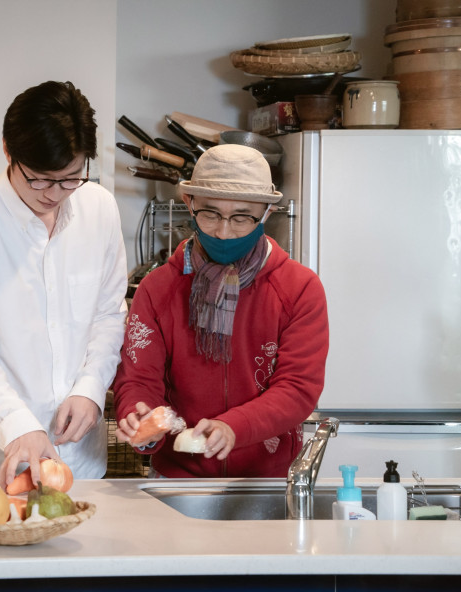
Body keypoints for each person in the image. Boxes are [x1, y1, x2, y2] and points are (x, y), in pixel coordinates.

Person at [0, 81, 128, 488]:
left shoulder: (100, 209)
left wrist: (90, 389)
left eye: (70, 179)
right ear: (8, 151)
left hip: (81, 459)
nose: (54, 194)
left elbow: (109, 315)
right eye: (39, 179)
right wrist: (18, 423)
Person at [113, 144, 329, 478]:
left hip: (266, 479)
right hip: (177, 479)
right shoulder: (157, 289)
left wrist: (235, 427)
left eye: (242, 217)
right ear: (190, 203)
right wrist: (139, 417)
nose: (223, 232)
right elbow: (139, 379)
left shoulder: (299, 288)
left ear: (267, 212)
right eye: (210, 214)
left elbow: (298, 388)